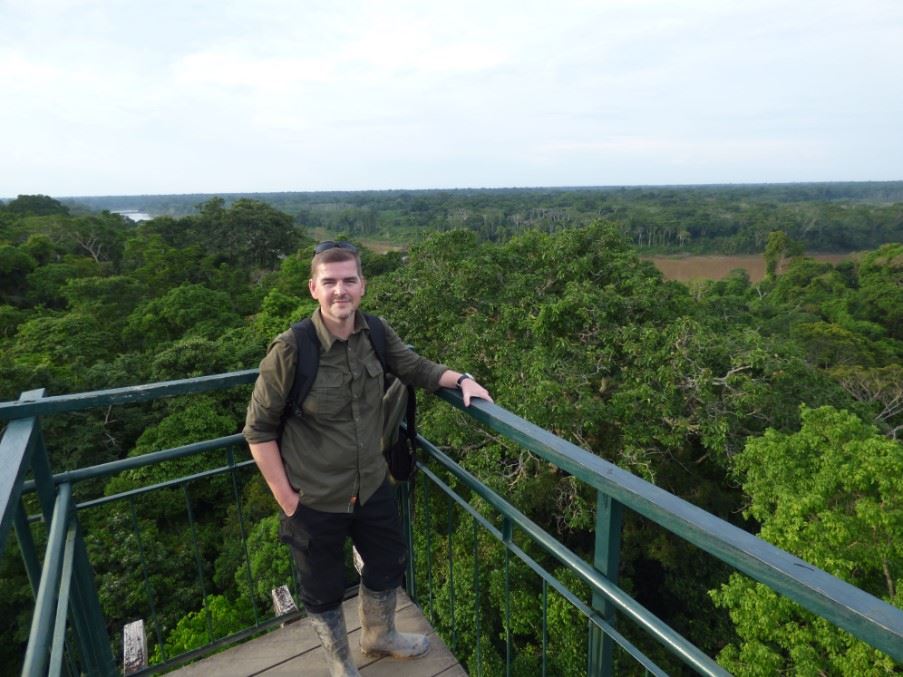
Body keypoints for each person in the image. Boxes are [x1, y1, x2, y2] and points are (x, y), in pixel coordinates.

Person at [243, 241, 492, 676]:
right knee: (321, 587)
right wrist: (287, 500)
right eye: (330, 282)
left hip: (372, 483)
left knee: (388, 560)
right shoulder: (291, 349)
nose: (341, 290)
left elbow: (415, 368)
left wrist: (463, 380)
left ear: (363, 285)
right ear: (313, 289)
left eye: (349, 280)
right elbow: (259, 430)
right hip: (314, 495)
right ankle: (341, 663)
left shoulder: (375, 332)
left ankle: (379, 636)